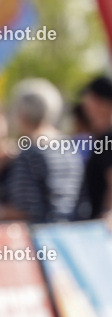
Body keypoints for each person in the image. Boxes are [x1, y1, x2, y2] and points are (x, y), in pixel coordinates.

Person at [0, 79, 81, 224]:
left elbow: (27, 210)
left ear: (21, 114)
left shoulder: (29, 153)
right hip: (71, 233)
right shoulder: (69, 149)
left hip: (42, 238)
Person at [76, 75, 112, 220]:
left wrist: (108, 214)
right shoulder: (102, 136)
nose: (85, 104)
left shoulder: (108, 138)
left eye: (89, 98)